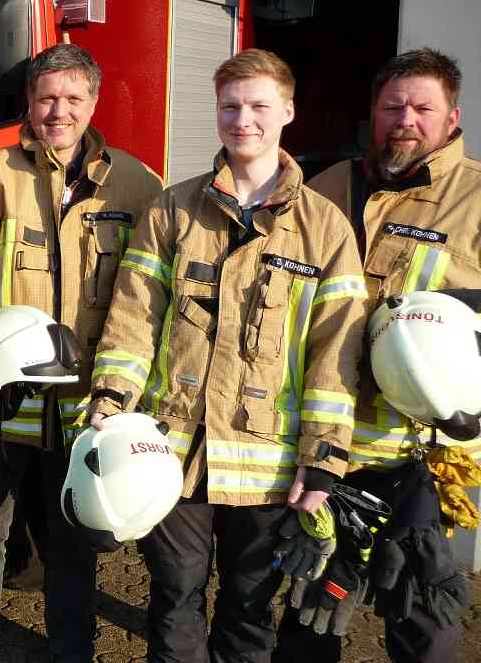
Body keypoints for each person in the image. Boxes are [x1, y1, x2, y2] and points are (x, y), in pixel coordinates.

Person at [85, 49, 369, 663]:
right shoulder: (173, 210)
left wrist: (323, 459)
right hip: (174, 451)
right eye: (231, 106)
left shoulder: (325, 228)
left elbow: (335, 352)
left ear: (288, 112)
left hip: (269, 462)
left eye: (259, 106)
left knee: (249, 608)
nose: (244, 119)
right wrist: (110, 405)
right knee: (175, 593)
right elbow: (133, 318)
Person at [0, 43, 162, 663]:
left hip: (87, 413)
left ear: (93, 103)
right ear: (28, 104)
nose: (58, 111)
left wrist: (123, 397)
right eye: (46, 98)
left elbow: (145, 302)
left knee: (73, 543)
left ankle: (72, 654)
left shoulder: (139, 186)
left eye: (72, 98)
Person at [275, 48, 480, 662]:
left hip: (425, 451)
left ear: (452, 117)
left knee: (420, 608)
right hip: (330, 440)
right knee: (315, 600)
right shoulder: (327, 188)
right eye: (393, 107)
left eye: (423, 107)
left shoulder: (475, 200)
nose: (406, 120)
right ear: (373, 113)